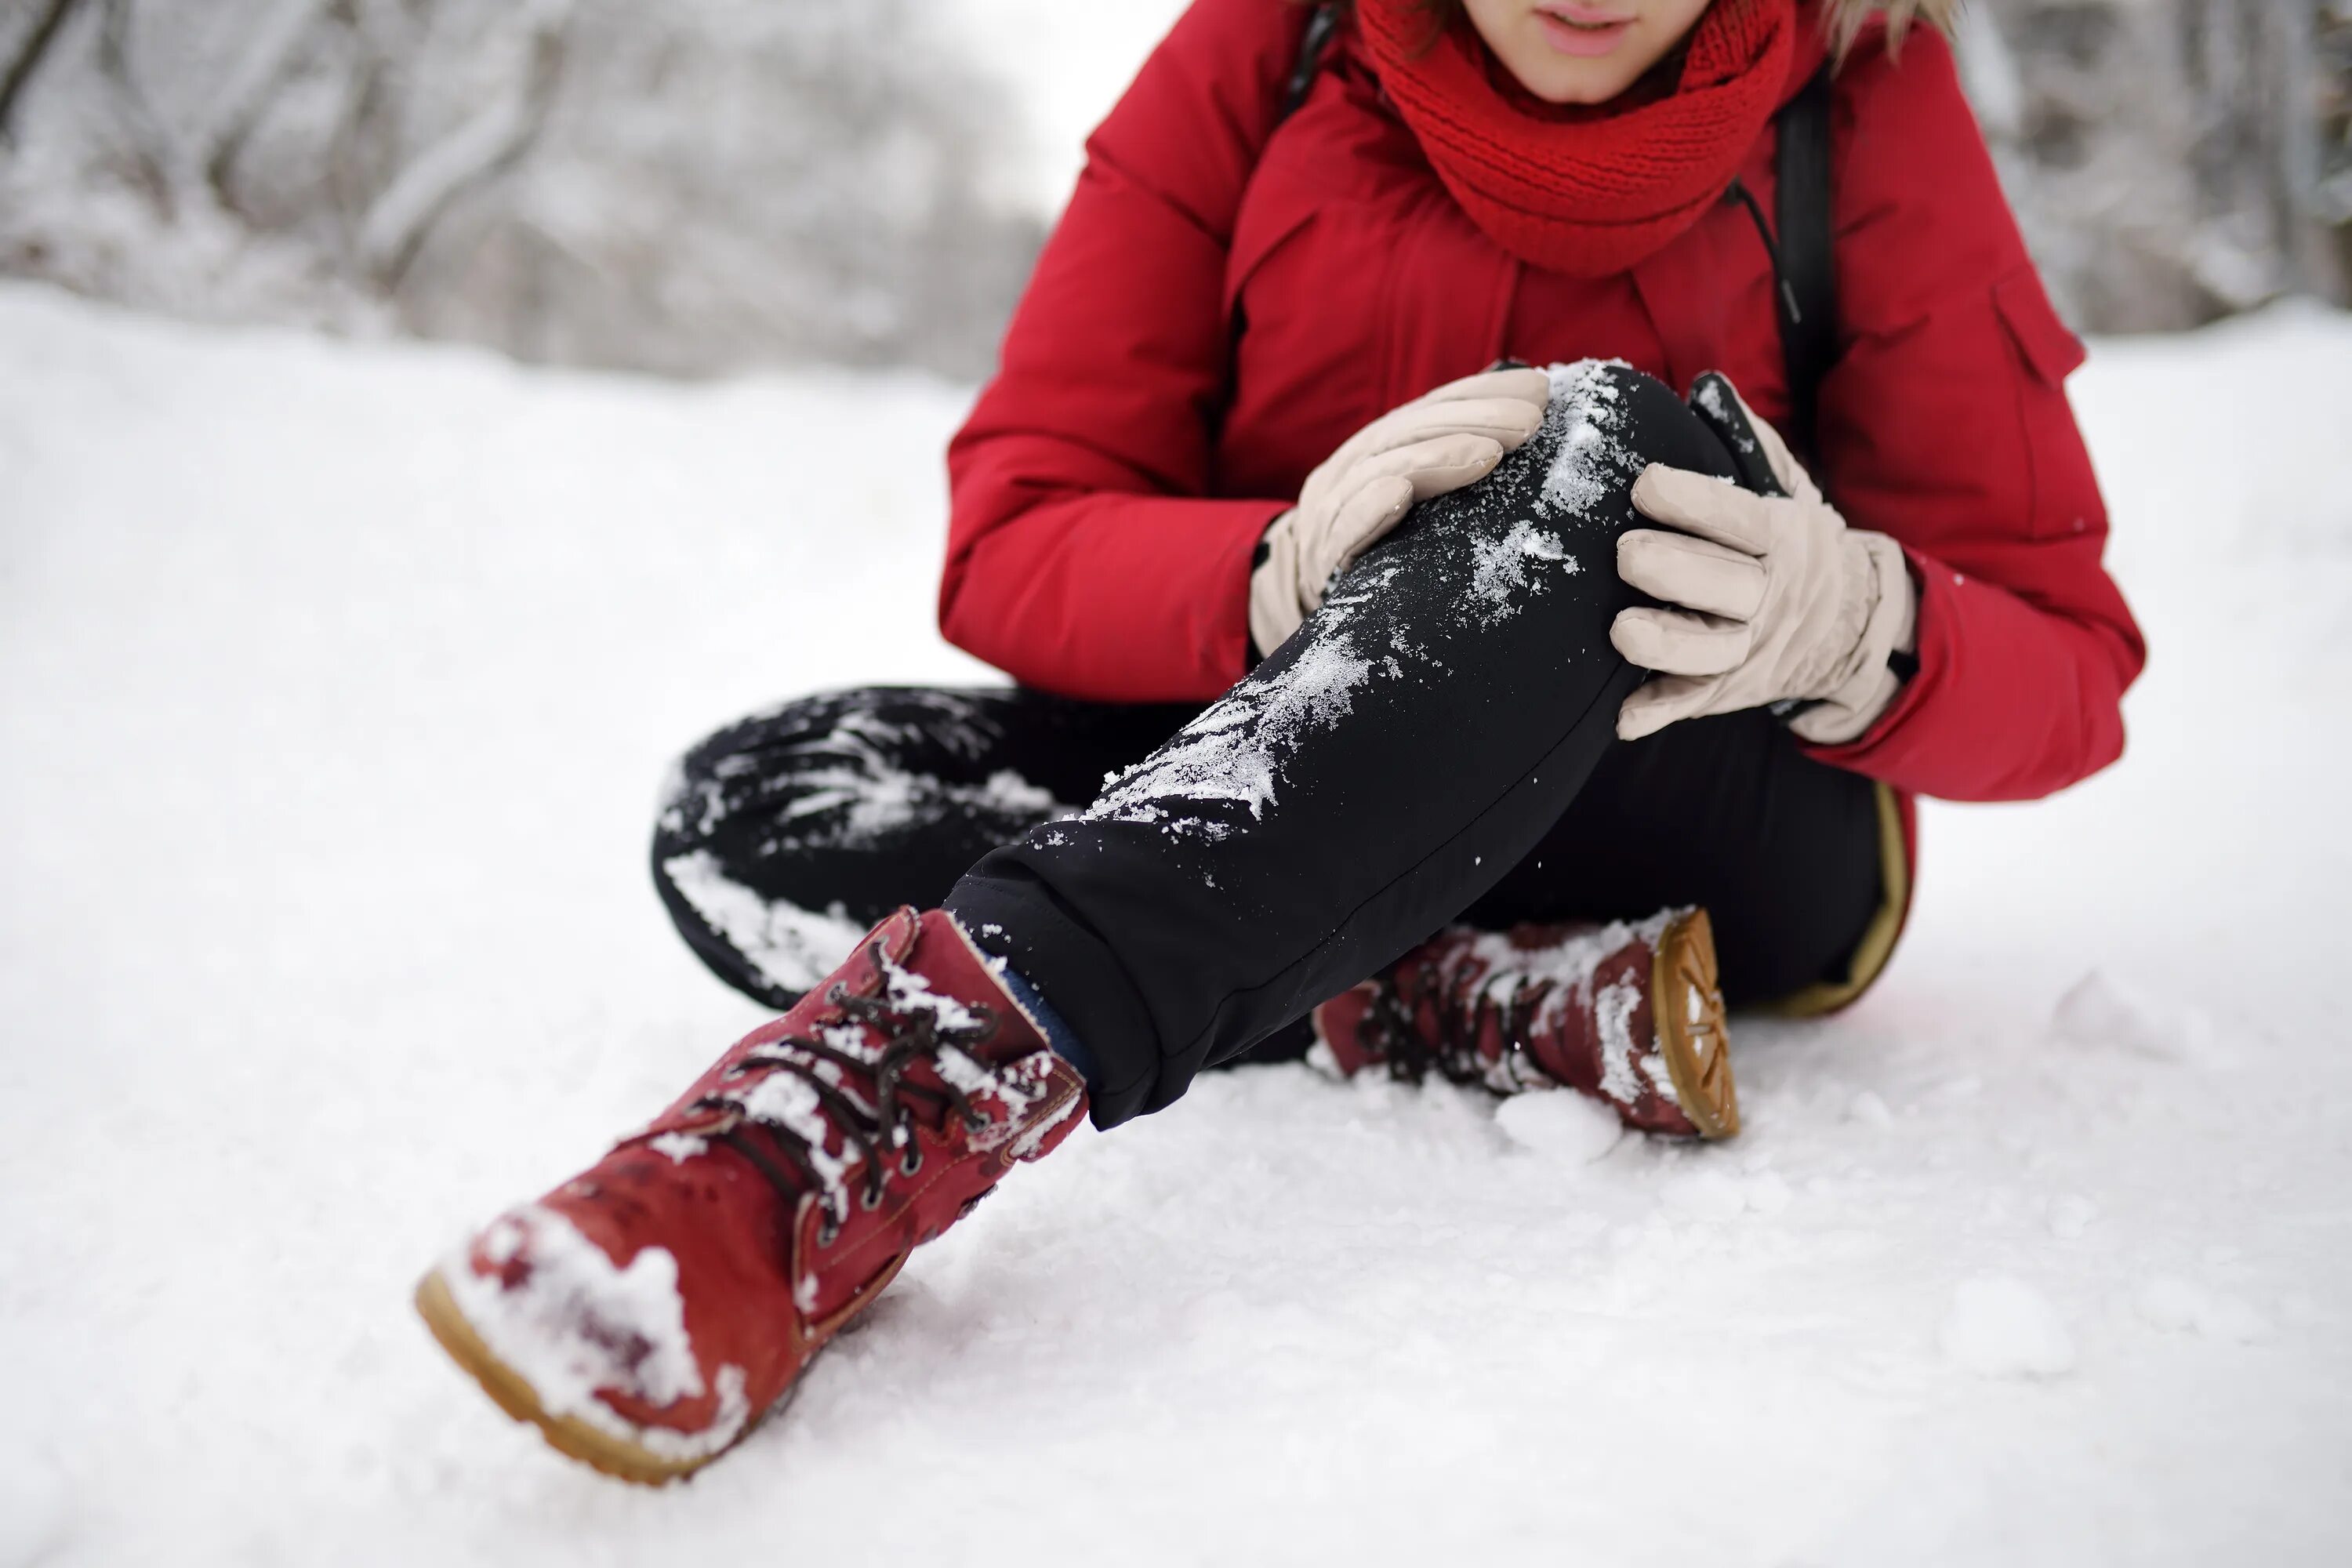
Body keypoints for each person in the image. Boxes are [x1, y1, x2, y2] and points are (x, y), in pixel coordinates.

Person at [415, 0, 2143, 1483]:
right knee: (755, 806)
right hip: (1297, 758)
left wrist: (1862, 619)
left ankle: (865, 1115)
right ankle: (1431, 994)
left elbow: (2072, 661)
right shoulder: (1272, 49)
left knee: (1597, 442)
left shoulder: (1863, 83)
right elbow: (1011, 523)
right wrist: (1273, 571)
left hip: (1714, 800)